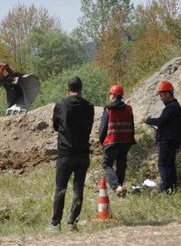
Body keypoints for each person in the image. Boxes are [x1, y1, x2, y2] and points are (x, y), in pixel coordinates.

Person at [49, 77, 94, 231]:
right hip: (83, 153)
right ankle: (72, 223)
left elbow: (55, 126)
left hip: (66, 153)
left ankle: (55, 224)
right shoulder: (89, 106)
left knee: (60, 188)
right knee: (78, 188)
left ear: (68, 88)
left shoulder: (61, 105)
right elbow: (89, 126)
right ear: (81, 88)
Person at [141, 80, 181, 193]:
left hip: (168, 141)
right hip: (172, 140)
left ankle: (165, 189)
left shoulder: (171, 107)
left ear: (168, 94)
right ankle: (172, 188)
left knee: (164, 165)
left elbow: (161, 121)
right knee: (170, 165)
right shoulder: (174, 106)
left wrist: (148, 120)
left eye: (162, 95)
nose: (161, 98)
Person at [98, 85, 135, 197]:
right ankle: (121, 187)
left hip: (112, 141)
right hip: (126, 141)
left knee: (106, 163)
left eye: (110, 94)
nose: (109, 96)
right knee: (121, 164)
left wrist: (101, 141)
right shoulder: (129, 108)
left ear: (113, 95)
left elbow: (103, 128)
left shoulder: (109, 109)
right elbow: (132, 126)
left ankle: (116, 186)